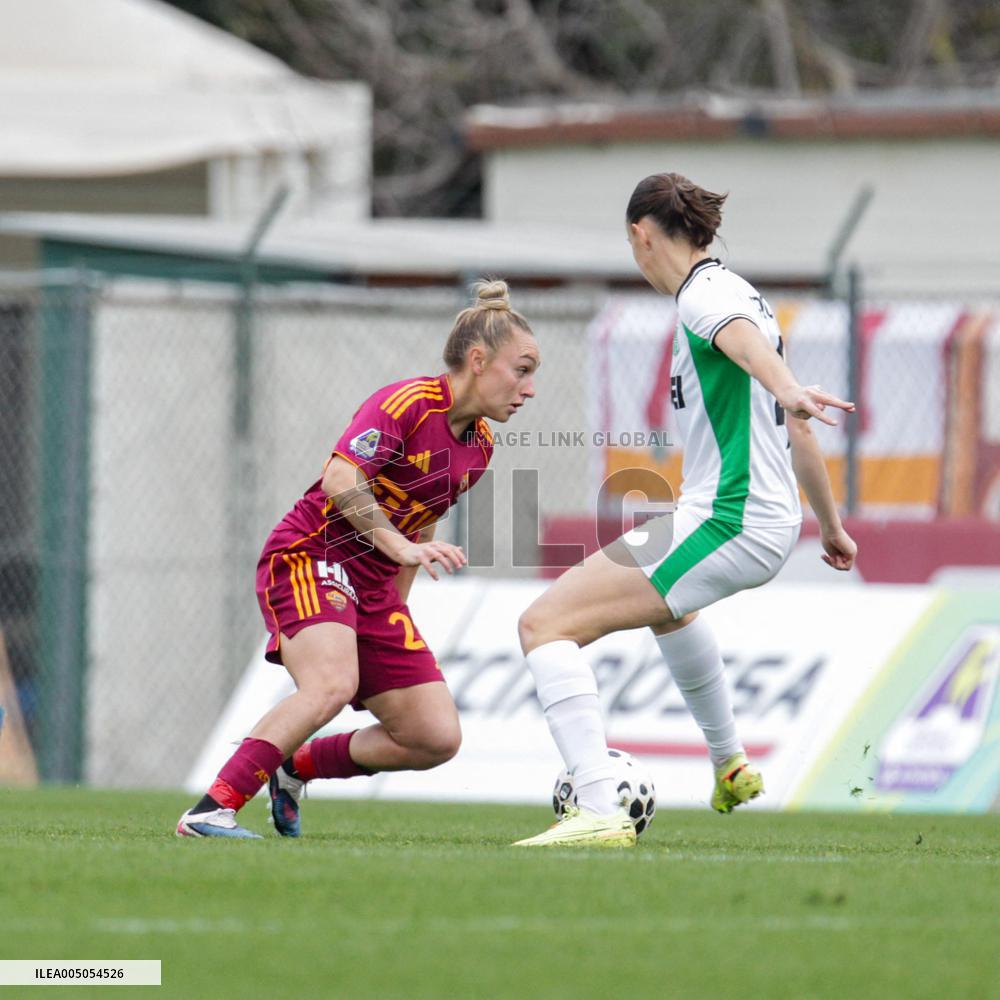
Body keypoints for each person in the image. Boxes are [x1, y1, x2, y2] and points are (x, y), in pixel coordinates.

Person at [514, 172, 857, 848]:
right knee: (673, 610)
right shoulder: (737, 293)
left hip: (732, 518)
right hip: (752, 518)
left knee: (542, 625)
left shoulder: (706, 297)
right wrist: (834, 527)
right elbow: (799, 427)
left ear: (642, 236)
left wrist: (785, 385)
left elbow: (746, 348)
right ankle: (729, 765)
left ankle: (598, 809)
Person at [177, 279, 540, 838]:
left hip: (371, 588)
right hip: (311, 554)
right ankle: (211, 808)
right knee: (330, 684)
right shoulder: (409, 403)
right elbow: (341, 476)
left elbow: (421, 520)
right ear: (477, 359)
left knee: (434, 737)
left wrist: (396, 611)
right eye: (522, 369)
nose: (530, 388)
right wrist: (397, 545)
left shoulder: (481, 446)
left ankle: (295, 766)